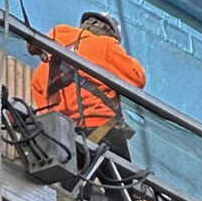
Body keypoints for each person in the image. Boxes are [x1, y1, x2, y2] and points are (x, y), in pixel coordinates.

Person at [28, 9, 146, 148]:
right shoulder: (105, 45)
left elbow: (45, 108)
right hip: (103, 132)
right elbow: (137, 78)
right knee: (121, 170)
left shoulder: (43, 69)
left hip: (62, 140)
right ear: (108, 31)